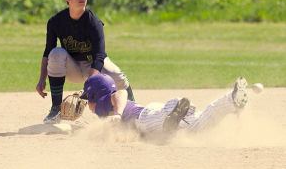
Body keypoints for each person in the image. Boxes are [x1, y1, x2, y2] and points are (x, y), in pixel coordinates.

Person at [36, 0, 135, 124]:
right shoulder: (56, 22)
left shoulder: (93, 22)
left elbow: (100, 55)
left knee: (117, 76)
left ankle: (132, 109)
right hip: (72, 67)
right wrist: (42, 79)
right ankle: (56, 109)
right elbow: (47, 52)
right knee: (56, 53)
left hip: (93, 65)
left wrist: (91, 83)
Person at [81, 73, 249, 134]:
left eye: (88, 98)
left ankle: (172, 116)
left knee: (163, 119)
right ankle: (232, 99)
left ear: (96, 96)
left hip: (146, 117)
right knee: (199, 125)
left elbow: (121, 92)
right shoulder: (105, 114)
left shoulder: (108, 103)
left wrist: (117, 115)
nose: (88, 103)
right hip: (154, 115)